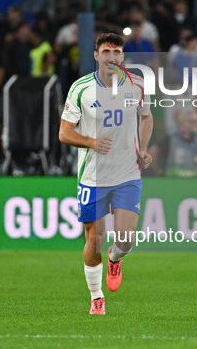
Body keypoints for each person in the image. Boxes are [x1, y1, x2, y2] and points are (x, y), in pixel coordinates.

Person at [58, 33, 153, 315]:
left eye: (117, 51)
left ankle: (116, 258)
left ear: (122, 56)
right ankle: (96, 297)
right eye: (107, 51)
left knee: (125, 240)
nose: (113, 56)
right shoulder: (81, 88)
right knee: (95, 239)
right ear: (96, 55)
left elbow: (146, 116)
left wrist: (144, 148)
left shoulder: (136, 84)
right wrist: (91, 142)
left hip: (127, 172)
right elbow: (64, 133)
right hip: (93, 176)